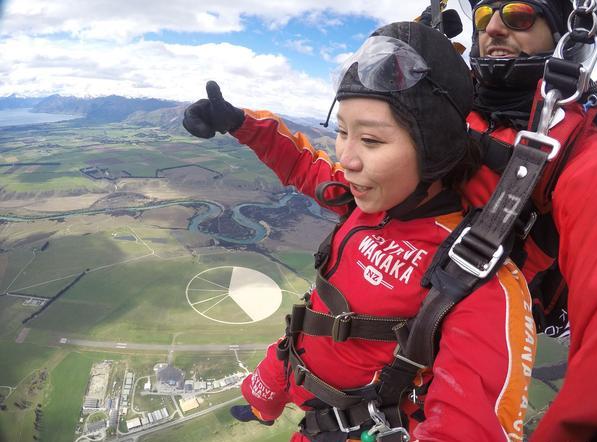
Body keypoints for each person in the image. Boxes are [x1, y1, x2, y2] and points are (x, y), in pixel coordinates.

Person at [183, 22, 536, 441]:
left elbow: (471, 424)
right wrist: (240, 123)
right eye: (343, 133)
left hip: (349, 428)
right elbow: (303, 166)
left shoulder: (474, 278)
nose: (347, 158)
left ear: (435, 149)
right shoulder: (363, 201)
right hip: (289, 371)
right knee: (260, 400)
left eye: (370, 140)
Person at [462, 1, 597, 441]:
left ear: (564, 34)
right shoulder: (439, 107)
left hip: (472, 338)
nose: (496, 27)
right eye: (484, 17)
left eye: (520, 14)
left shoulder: (578, 152)